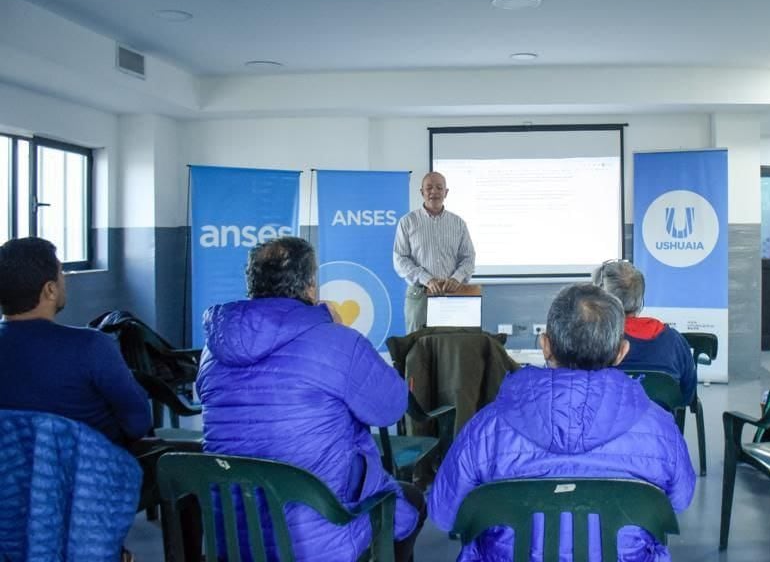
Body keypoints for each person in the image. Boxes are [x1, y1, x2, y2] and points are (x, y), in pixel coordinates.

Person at [429, 284, 695, 561]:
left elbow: (444, 514)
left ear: (545, 345)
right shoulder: (660, 428)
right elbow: (679, 501)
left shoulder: (485, 428)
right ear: (622, 352)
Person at [198, 237, 423, 562]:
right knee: (412, 501)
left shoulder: (212, 349)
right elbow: (390, 407)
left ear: (252, 283)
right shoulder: (336, 339)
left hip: (231, 534)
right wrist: (344, 333)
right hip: (316, 537)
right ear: (310, 285)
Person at [0, 237, 151, 447]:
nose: (65, 280)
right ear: (50, 290)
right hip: (90, 473)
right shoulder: (91, 346)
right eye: (61, 273)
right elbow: (138, 424)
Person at [593, 259, 697, 404]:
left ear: (603, 300)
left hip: (604, 426)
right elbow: (687, 397)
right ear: (640, 299)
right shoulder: (674, 340)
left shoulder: (591, 341)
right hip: (660, 425)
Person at [393, 171, 475, 333]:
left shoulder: (458, 223)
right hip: (420, 294)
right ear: (421, 192)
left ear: (446, 192)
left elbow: (468, 258)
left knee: (453, 347)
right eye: (429, 187)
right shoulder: (407, 222)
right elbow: (400, 259)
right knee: (417, 348)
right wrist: (427, 279)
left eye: (439, 187)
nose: (434, 192)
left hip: (453, 294)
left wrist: (456, 278)